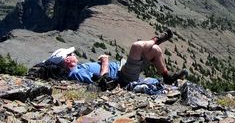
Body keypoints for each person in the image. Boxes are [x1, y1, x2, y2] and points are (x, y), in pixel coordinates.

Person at [47, 29, 188, 87]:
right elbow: (102, 82)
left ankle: (167, 76)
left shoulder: (77, 69)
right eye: (70, 54)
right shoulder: (77, 73)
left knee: (155, 51)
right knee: (137, 46)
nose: (74, 54)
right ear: (67, 60)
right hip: (123, 77)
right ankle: (156, 38)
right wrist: (105, 61)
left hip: (123, 70)